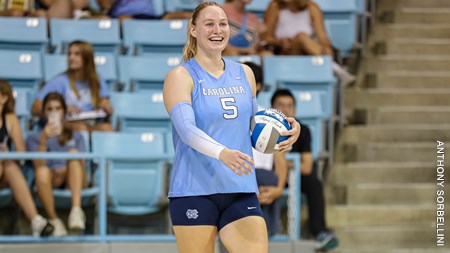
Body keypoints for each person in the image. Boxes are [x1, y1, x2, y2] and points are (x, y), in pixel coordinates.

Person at [162, 2, 300, 253]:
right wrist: (222, 153)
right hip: (194, 189)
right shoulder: (180, 76)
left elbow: (254, 125)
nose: (218, 30)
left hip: (240, 187)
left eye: (223, 24)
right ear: (193, 30)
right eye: (209, 24)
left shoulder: (244, 72)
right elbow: (186, 130)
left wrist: (287, 129)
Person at [271, 89, 339, 252]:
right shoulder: (263, 129)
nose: (286, 110)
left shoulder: (303, 131)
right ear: (272, 108)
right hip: (270, 175)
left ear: (295, 110)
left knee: (314, 182)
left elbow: (307, 166)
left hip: (294, 178)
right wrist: (289, 163)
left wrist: (283, 162)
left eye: (290, 106)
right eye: (281, 105)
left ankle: (319, 231)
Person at [27, 92, 88, 236]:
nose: (54, 112)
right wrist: (44, 138)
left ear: (64, 111)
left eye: (58, 108)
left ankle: (76, 211)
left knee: (73, 153)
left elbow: (82, 167)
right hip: (49, 179)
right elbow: (38, 165)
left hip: (73, 180)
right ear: (43, 113)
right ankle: (54, 220)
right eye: (49, 109)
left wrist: (65, 170)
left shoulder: (76, 135)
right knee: (42, 171)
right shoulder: (34, 138)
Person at [0, 80, 54, 237]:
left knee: (9, 165)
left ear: (4, 98)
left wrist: (6, 154)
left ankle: (36, 221)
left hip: (4, 170)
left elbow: (21, 152)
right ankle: (35, 219)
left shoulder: (10, 119)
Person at [265, 0, 355, 86]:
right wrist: (279, 42)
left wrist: (327, 47)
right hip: (285, 54)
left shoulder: (312, 8)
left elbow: (323, 37)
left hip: (308, 55)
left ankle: (330, 65)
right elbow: (266, 38)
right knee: (301, 37)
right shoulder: (275, 7)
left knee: (303, 38)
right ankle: (333, 68)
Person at [31, 40, 113, 132]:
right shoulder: (59, 81)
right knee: (80, 128)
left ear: (87, 58)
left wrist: (106, 107)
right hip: (65, 123)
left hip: (90, 122)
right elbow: (35, 108)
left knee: (107, 128)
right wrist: (63, 109)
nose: (71, 57)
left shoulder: (97, 80)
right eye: (69, 54)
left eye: (77, 54)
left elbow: (104, 103)